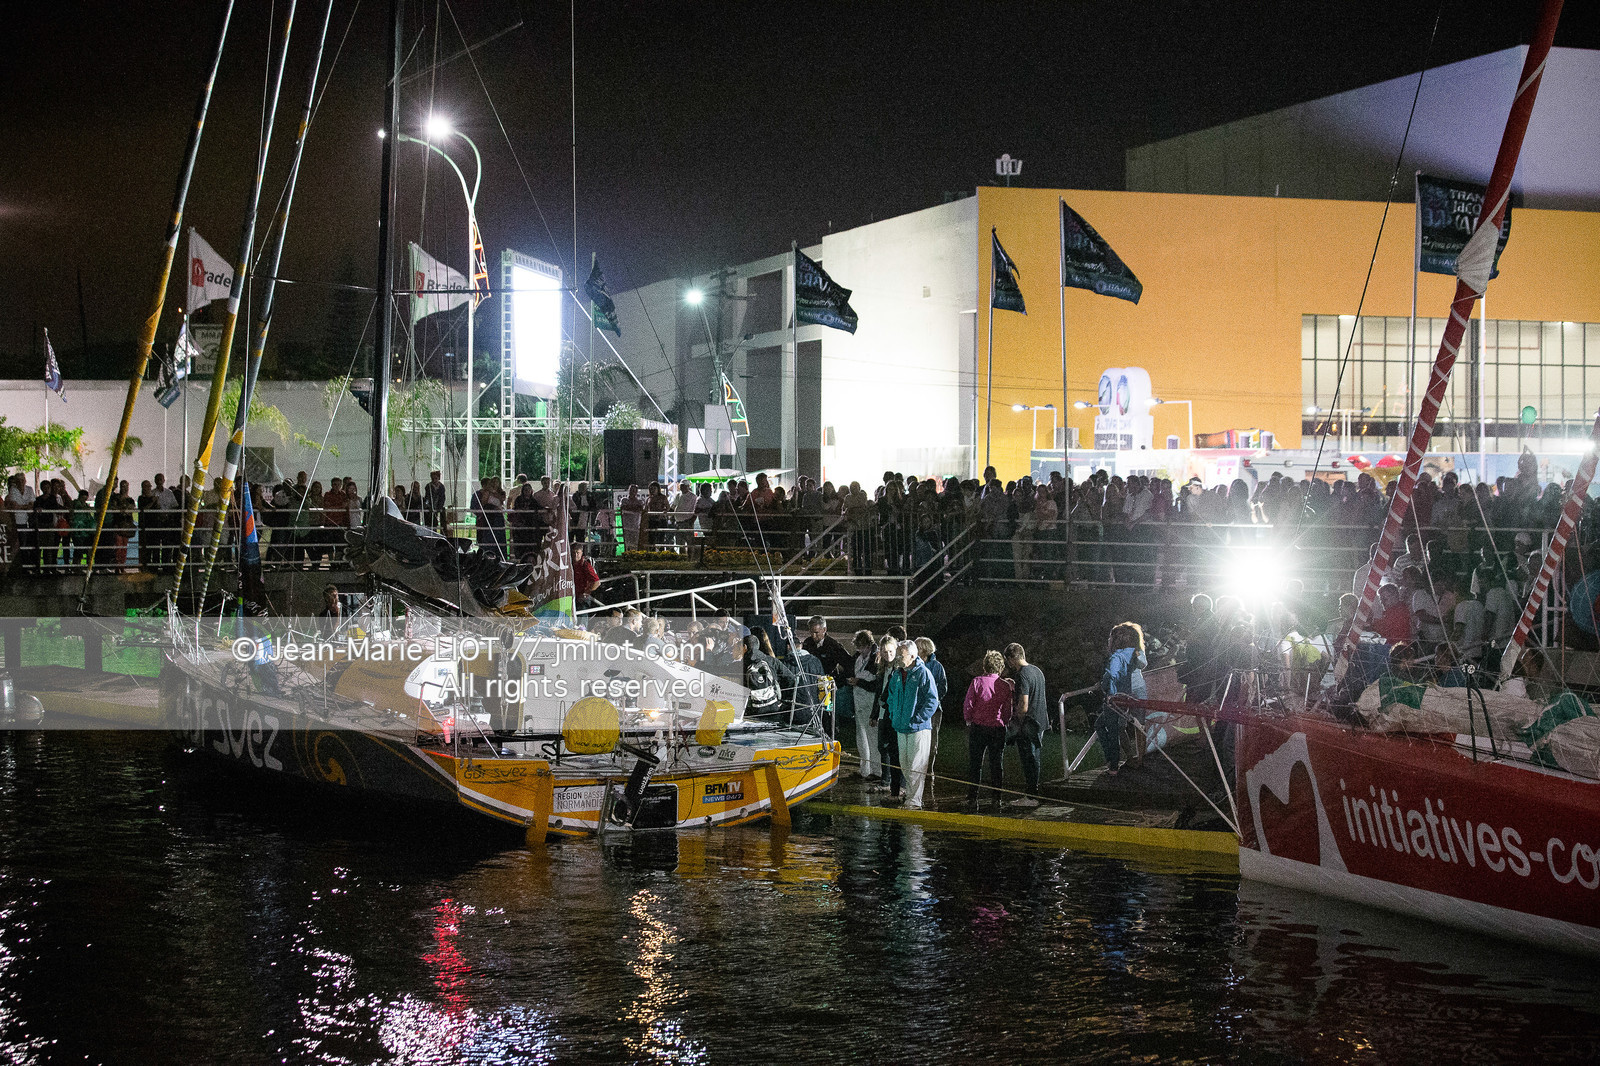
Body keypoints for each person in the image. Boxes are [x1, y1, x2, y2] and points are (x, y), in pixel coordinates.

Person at [882, 640, 938, 809]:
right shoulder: (897, 674)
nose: (898, 657)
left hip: (918, 728)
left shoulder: (923, 673)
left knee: (916, 766)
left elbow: (932, 700)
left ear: (912, 656)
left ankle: (914, 802)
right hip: (901, 726)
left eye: (901, 655)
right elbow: (891, 697)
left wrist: (918, 719)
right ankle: (911, 798)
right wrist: (893, 715)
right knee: (905, 765)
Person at [1094, 623, 1147, 776]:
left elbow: (1143, 664)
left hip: (1137, 691)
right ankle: (1130, 757)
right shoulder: (1117, 654)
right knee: (1120, 725)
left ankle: (1140, 759)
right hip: (1122, 693)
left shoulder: (1136, 652)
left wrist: (1135, 654)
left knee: (1140, 726)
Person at [962, 649, 1014, 807]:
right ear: (1001, 667)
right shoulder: (1005, 686)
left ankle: (972, 798)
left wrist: (968, 720)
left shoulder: (977, 681)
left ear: (985, 665)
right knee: (996, 763)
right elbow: (1007, 710)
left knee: (975, 763)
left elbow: (968, 704)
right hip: (997, 728)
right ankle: (996, 798)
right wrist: (1004, 722)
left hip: (978, 727)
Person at [1003, 642, 1048, 806]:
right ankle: (1033, 792)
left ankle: (1031, 797)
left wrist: (1014, 721)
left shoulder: (1021, 675)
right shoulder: (1036, 671)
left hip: (1028, 723)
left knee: (1028, 759)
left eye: (1008, 661)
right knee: (1035, 758)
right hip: (1040, 721)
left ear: (1011, 659)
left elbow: (1023, 705)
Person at [846, 629, 881, 781]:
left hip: (870, 701)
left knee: (873, 737)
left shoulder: (876, 659)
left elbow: (875, 685)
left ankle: (877, 770)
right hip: (859, 701)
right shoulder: (859, 657)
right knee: (861, 737)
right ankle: (864, 769)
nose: (860, 650)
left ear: (868, 645)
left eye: (861, 647)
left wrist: (859, 682)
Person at [572, 542, 601, 609]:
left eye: (577, 553)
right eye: (573, 553)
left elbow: (597, 582)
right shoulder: (570, 564)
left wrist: (586, 593)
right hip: (573, 597)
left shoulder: (585, 565)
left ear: (582, 553)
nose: (575, 555)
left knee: (582, 616)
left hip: (581, 599)